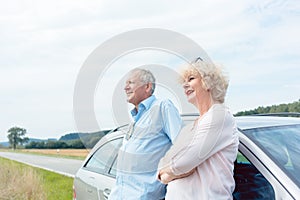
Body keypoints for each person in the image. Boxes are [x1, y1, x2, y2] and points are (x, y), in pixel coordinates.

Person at [157, 57, 239, 199]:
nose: (184, 85)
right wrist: (166, 172)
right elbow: (169, 162)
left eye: (191, 79)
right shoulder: (193, 125)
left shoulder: (219, 116)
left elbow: (183, 162)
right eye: (184, 81)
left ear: (208, 82)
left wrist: (165, 174)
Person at [108, 68, 182, 200]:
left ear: (147, 86)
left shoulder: (162, 107)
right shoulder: (135, 120)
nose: (125, 88)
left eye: (130, 83)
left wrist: (167, 176)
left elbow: (182, 149)